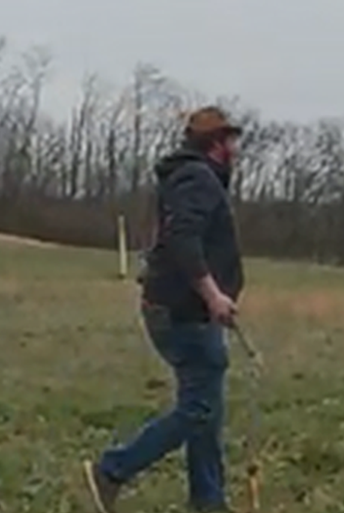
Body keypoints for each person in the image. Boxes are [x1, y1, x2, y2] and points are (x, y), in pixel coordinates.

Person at [82, 106, 246, 513]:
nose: (236, 149)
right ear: (216, 143)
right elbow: (182, 239)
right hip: (184, 312)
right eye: (231, 140)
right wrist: (212, 294)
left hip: (185, 311)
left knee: (207, 407)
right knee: (200, 408)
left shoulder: (191, 176)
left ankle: (208, 501)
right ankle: (113, 469)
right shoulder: (198, 178)